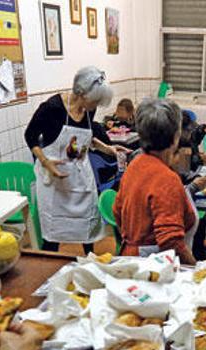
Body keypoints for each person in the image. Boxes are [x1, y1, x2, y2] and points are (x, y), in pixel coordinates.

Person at [24, 66, 130, 254]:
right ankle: (48, 266)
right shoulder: (52, 108)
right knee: (53, 233)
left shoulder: (89, 109)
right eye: (94, 100)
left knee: (87, 230)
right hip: (55, 182)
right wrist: (45, 161)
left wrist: (108, 148)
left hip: (81, 179)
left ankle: (89, 260)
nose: (95, 106)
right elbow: (30, 135)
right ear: (81, 93)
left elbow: (85, 139)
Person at [114, 99, 200, 265]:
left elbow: (117, 211)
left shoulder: (134, 166)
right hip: (155, 267)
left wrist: (134, 241)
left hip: (129, 259)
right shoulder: (166, 178)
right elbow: (171, 241)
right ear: (176, 136)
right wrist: (195, 269)